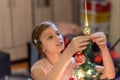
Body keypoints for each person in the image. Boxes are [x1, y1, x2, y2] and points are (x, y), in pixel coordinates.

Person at [31, 21, 115, 80]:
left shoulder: (74, 62)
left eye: (58, 33)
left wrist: (103, 48)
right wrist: (69, 51)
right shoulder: (38, 68)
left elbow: (109, 74)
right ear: (42, 47)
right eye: (50, 37)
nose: (58, 37)